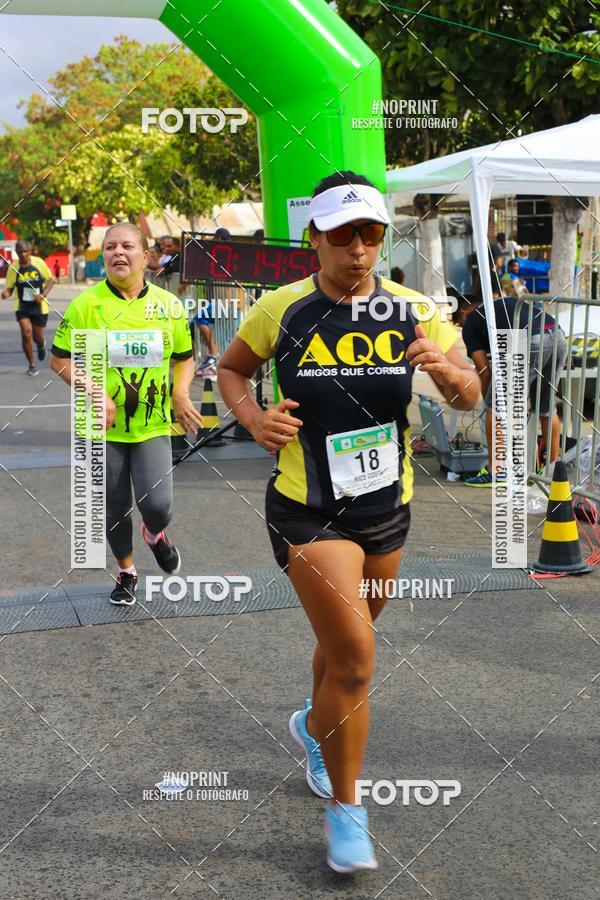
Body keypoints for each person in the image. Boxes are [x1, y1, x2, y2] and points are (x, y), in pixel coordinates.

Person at [217, 171, 479, 873]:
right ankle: (347, 810)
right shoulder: (283, 309)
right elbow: (231, 371)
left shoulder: (415, 307)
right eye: (343, 235)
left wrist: (448, 376)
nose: (358, 249)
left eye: (370, 234)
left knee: (343, 650)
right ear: (315, 239)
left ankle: (311, 724)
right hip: (308, 509)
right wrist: (252, 419)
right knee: (358, 661)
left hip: (386, 508)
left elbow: (468, 390)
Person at [50, 223, 203, 606]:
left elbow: (185, 359)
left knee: (157, 506)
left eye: (127, 246)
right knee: (114, 508)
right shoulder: (86, 305)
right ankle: (127, 571)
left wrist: (181, 393)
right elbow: (59, 360)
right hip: (100, 425)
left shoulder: (168, 306)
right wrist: (94, 391)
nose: (118, 253)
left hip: (151, 424)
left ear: (147, 255)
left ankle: (156, 535)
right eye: (110, 247)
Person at [461, 294, 568, 486]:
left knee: (495, 407)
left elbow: (484, 371)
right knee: (546, 406)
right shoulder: (501, 305)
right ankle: (552, 470)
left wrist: (489, 401)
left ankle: (497, 470)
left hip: (528, 341)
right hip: (558, 335)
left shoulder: (469, 321)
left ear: (463, 312)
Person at [2, 240, 55, 375]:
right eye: (20, 251)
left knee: (37, 336)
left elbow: (51, 280)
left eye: (25, 251)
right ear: (16, 252)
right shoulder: (13, 268)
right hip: (22, 306)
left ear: (30, 251)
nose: (23, 254)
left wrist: (42, 295)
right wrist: (5, 293)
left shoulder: (39, 263)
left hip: (39, 306)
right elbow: (9, 288)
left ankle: (41, 344)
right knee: (26, 333)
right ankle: (32, 365)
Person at [194, 226, 230, 376]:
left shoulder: (225, 254)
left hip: (226, 301)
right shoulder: (210, 253)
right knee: (192, 324)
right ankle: (209, 357)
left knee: (198, 318)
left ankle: (214, 356)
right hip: (214, 300)